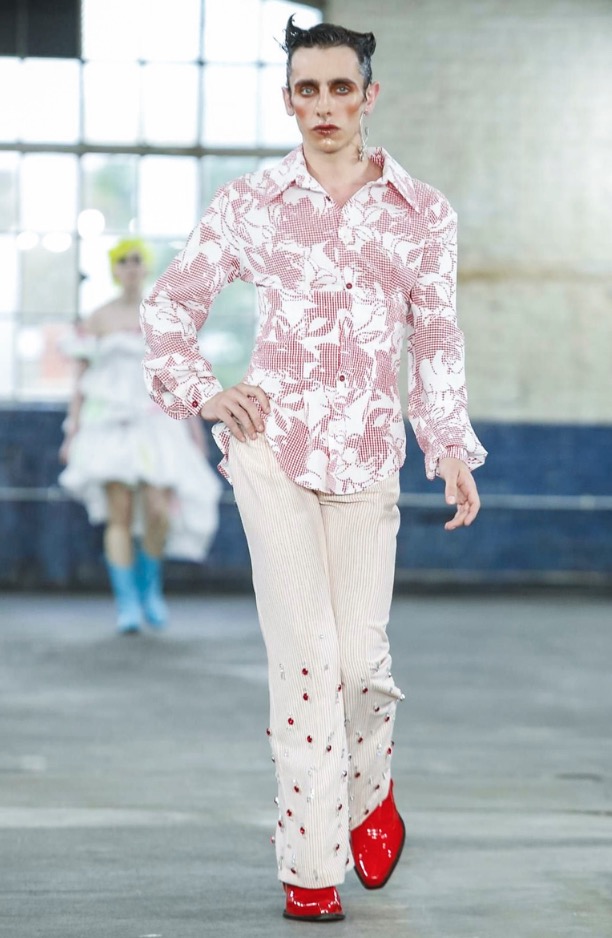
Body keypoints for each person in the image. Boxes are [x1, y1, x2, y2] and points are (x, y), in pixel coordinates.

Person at [140, 16, 487, 922]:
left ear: (369, 95)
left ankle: (370, 794)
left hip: (368, 455)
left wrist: (449, 443)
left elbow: (437, 337)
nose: (324, 105)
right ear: (289, 99)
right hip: (273, 452)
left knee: (361, 663)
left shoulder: (423, 213)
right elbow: (169, 306)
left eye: (340, 88)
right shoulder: (251, 203)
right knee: (306, 659)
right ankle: (310, 864)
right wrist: (205, 392)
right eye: (307, 89)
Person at [59, 238, 221, 635]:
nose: (130, 266)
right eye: (123, 261)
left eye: (136, 260)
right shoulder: (98, 318)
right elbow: (80, 383)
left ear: (145, 266)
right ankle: (127, 601)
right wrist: (72, 430)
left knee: (159, 508)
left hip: (157, 423)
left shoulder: (163, 312)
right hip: (111, 424)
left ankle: (150, 588)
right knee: (119, 510)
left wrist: (195, 429)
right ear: (114, 268)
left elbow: (180, 376)